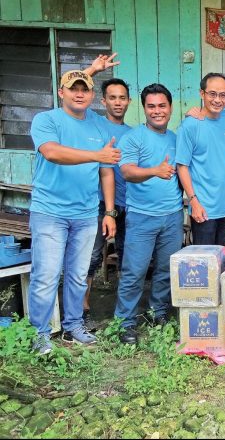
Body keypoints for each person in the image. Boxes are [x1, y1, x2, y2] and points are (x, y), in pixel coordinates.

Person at [28, 70, 120, 354]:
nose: (79, 94)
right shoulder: (46, 120)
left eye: (85, 89)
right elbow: (52, 152)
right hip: (49, 211)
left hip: (86, 213)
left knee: (78, 276)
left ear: (92, 95)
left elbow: (106, 172)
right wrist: (96, 155)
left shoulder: (98, 125)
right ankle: (39, 334)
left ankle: (73, 326)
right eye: (73, 89)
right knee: (46, 276)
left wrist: (109, 212)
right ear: (61, 92)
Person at [115, 84, 184, 345]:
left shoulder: (175, 138)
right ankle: (125, 323)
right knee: (134, 271)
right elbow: (127, 171)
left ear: (170, 108)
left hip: (173, 215)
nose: (157, 111)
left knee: (165, 269)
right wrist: (155, 170)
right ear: (144, 108)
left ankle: (158, 313)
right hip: (141, 216)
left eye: (162, 105)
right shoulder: (133, 138)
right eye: (151, 106)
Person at [82, 78, 132, 327]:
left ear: (129, 101)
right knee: (91, 257)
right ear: (103, 101)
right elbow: (75, 99)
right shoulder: (95, 123)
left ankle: (124, 313)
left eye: (122, 98)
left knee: (126, 257)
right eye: (112, 98)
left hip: (128, 203)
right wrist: (91, 71)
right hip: (101, 204)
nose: (118, 102)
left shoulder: (133, 133)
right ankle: (83, 310)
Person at [176, 73, 225, 246]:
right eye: (212, 94)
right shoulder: (189, 125)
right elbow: (182, 166)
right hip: (203, 208)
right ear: (202, 93)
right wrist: (193, 201)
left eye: (223, 95)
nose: (218, 100)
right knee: (205, 259)